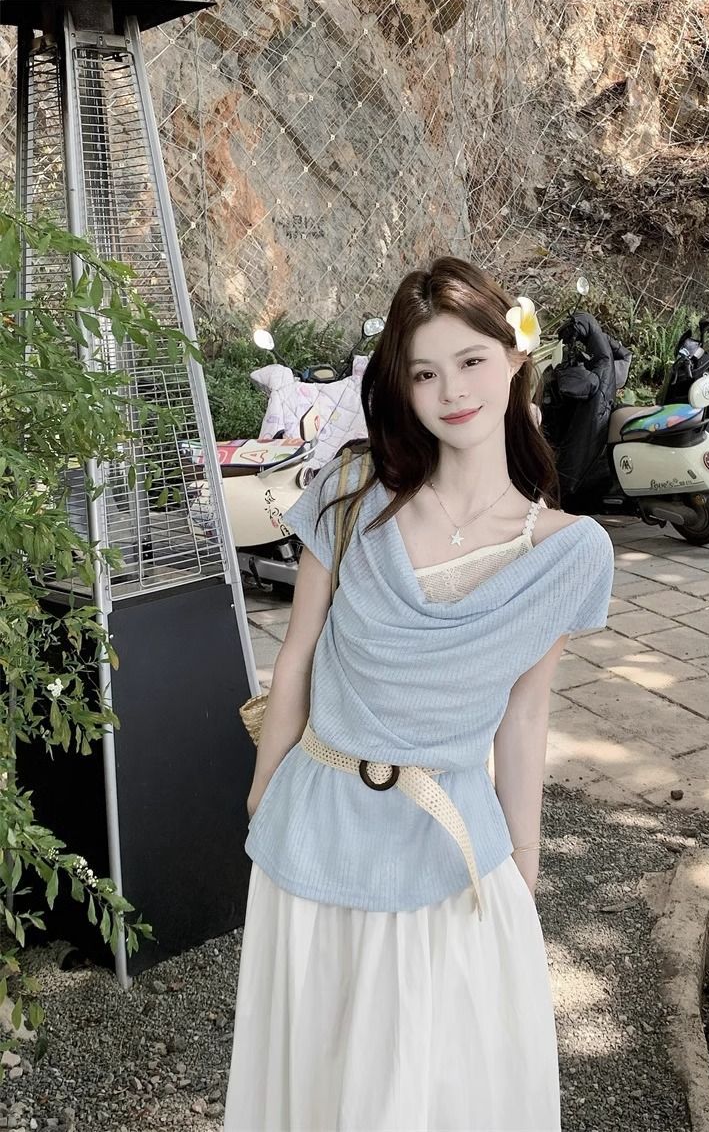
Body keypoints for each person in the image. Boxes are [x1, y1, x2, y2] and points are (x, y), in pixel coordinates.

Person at [223, 256, 614, 1131]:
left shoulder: (570, 550)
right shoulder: (353, 492)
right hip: (314, 826)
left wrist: (522, 871)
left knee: (430, 1094)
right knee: (314, 1081)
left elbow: (526, 715)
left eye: (471, 361)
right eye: (425, 372)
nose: (452, 391)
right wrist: (262, 793)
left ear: (515, 357)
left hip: (450, 850)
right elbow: (297, 655)